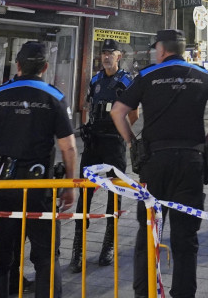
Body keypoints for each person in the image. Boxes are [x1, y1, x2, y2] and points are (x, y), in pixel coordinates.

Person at [111, 29, 208, 298]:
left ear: (161, 50)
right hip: (191, 162)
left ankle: (144, 294)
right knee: (185, 238)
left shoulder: (147, 75)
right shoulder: (201, 75)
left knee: (148, 235)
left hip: (154, 163)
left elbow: (118, 111)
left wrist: (132, 142)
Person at [0, 41, 78, 298]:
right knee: (46, 258)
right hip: (39, 189)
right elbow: (68, 147)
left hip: (1, 189)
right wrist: (69, 184)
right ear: (45, 67)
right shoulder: (54, 97)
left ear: (17, 65)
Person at [70, 39, 137, 272]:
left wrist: (118, 130)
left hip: (114, 145)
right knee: (84, 195)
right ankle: (77, 251)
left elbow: (134, 114)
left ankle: (107, 247)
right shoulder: (95, 80)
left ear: (119, 56)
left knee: (113, 196)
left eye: (111, 53)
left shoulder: (127, 81)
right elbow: (89, 106)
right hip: (93, 144)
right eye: (104, 53)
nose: (107, 56)